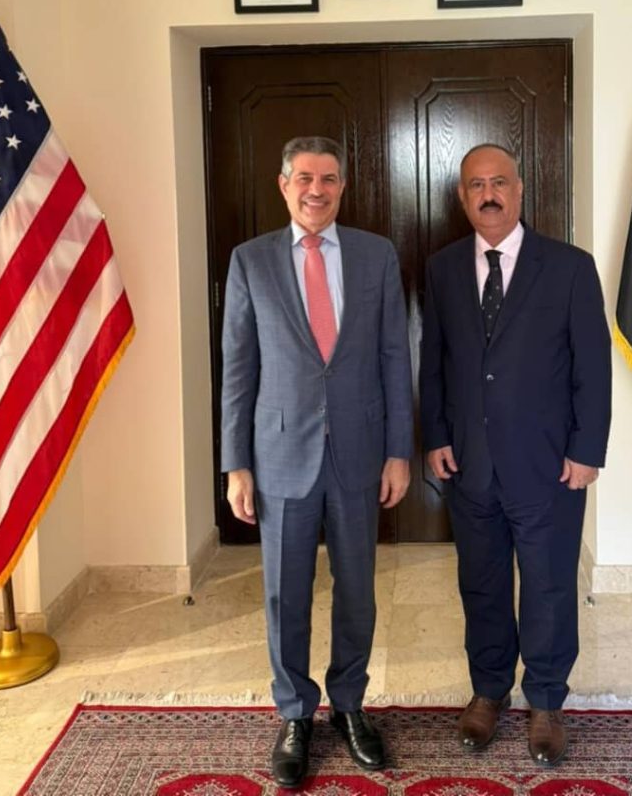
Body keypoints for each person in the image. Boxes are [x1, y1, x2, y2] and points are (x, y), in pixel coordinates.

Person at [222, 136, 413, 787]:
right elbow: (238, 369)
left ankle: (350, 706)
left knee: (357, 589)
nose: (316, 190)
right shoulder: (250, 261)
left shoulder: (375, 255)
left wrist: (397, 450)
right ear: (284, 185)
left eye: (328, 178)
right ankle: (295, 713)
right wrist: (236, 464)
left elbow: (394, 356)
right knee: (286, 593)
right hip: (279, 456)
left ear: (342, 186)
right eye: (304, 178)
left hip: (359, 453)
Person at [419, 143, 611, 766]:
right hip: (470, 463)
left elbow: (593, 367)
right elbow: (434, 360)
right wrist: (436, 434)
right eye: (476, 185)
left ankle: (547, 700)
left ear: (520, 190)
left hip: (549, 464)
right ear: (462, 197)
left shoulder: (570, 268)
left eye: (499, 182)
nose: (489, 194)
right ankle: (488, 690)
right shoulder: (443, 268)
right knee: (482, 583)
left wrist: (587, 449)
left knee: (549, 584)